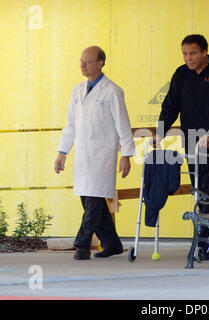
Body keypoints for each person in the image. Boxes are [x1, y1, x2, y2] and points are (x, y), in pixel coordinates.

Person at [153, 34, 209, 258]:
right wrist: (160, 132)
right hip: (191, 142)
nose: (188, 58)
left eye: (192, 53)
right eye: (185, 53)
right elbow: (170, 104)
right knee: (200, 191)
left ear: (204, 52)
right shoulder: (181, 74)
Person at [54, 46, 135, 260]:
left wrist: (126, 155)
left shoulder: (112, 91)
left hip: (102, 156)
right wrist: (62, 152)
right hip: (82, 156)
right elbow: (70, 125)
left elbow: (123, 125)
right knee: (93, 201)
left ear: (100, 63)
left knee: (92, 202)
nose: (82, 65)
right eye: (81, 61)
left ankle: (82, 245)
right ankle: (112, 243)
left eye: (87, 61)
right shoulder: (77, 90)